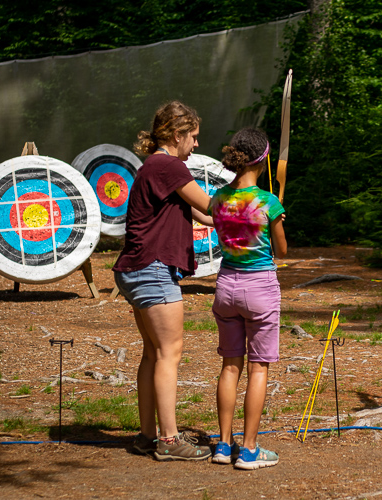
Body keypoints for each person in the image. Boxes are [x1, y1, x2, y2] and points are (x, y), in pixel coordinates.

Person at [113, 101, 215, 461]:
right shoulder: (168, 165)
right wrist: (255, 202)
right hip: (151, 269)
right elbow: (212, 205)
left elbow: (203, 213)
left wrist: (247, 218)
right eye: (194, 137)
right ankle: (170, 442)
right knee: (169, 353)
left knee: (153, 354)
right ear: (177, 135)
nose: (197, 145)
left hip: (139, 267)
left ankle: (147, 435)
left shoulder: (156, 166)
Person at [208, 127, 287, 470]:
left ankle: (224, 447)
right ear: (264, 158)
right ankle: (250, 450)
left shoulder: (219, 197)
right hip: (260, 288)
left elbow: (219, 225)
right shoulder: (268, 202)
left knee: (230, 365)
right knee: (258, 368)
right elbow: (281, 251)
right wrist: (277, 219)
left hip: (226, 285)